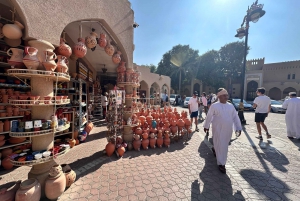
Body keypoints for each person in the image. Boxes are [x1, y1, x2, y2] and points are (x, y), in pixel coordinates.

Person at [203, 88, 242, 173]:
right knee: (221, 144)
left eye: (227, 95)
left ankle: (215, 149)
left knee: (223, 144)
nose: (226, 97)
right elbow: (209, 116)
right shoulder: (214, 106)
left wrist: (238, 128)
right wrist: (206, 126)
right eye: (224, 95)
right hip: (217, 128)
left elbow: (235, 117)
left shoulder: (230, 106)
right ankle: (221, 164)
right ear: (219, 96)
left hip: (228, 129)